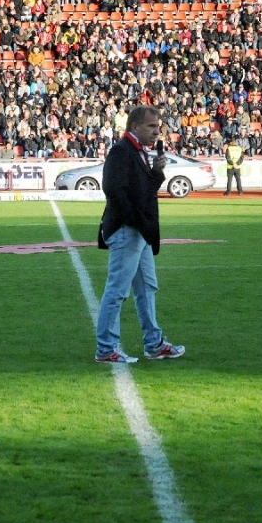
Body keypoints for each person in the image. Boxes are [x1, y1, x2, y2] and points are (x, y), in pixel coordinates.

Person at [94, 105, 186, 364]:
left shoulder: (137, 151)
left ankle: (153, 343)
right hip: (128, 230)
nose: (156, 132)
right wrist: (135, 220)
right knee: (117, 291)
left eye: (158, 126)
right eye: (151, 126)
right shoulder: (122, 151)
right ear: (135, 126)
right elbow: (113, 190)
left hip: (138, 231)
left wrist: (156, 173)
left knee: (147, 287)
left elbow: (143, 192)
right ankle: (106, 348)